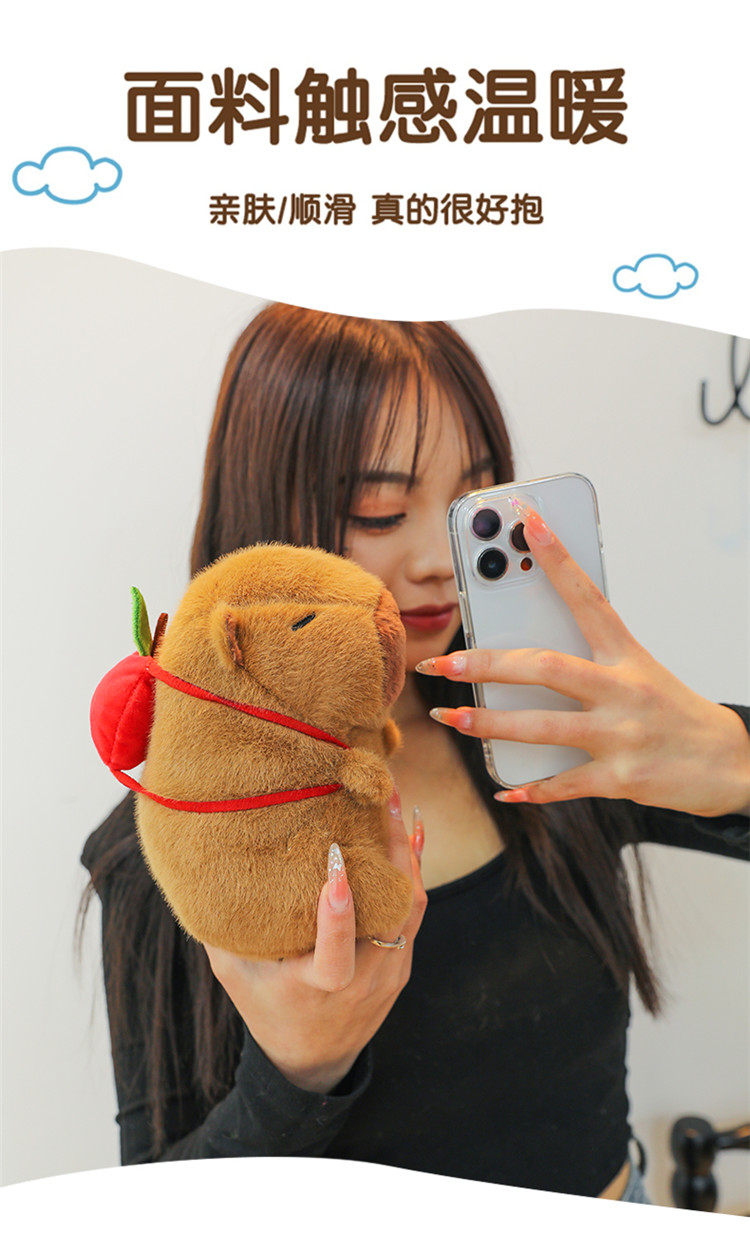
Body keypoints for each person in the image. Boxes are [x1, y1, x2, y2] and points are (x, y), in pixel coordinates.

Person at [80, 305, 750, 1203]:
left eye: (472, 497)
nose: (440, 557)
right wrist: (296, 1074)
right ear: (267, 522)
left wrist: (733, 756)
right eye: (381, 510)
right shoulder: (178, 842)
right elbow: (152, 1212)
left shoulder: (545, 723)